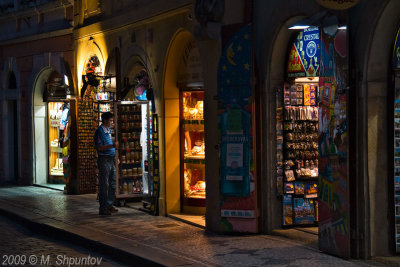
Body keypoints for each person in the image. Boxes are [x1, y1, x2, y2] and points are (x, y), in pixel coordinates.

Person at [94, 112, 119, 215]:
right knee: (104, 184)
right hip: (104, 159)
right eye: (111, 120)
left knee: (112, 183)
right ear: (105, 120)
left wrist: (115, 157)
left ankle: (109, 205)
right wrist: (112, 146)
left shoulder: (108, 130)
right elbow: (99, 147)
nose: (112, 122)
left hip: (110, 159)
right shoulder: (99, 131)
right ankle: (103, 207)